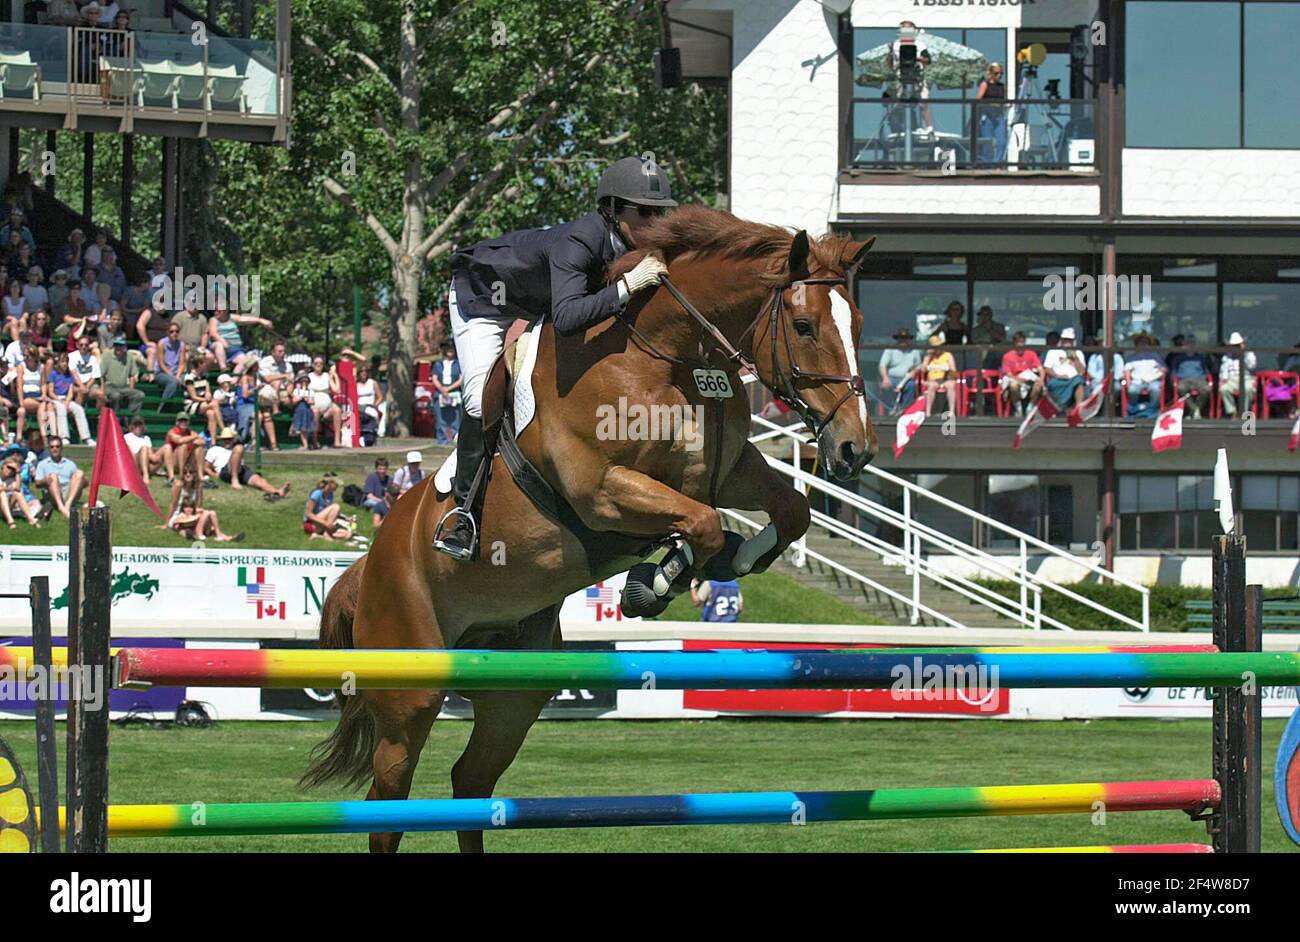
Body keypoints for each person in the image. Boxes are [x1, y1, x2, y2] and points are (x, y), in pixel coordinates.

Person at [438, 155, 675, 559]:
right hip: (481, 301)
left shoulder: (631, 243)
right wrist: (628, 287)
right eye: (644, 212)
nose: (654, 222)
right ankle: (463, 513)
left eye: (660, 212)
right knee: (480, 397)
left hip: (533, 305)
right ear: (615, 210)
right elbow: (567, 317)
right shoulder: (580, 240)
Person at [203, 426, 291, 498]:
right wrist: (215, 475)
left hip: (240, 469)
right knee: (239, 448)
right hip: (225, 470)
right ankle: (235, 480)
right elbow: (206, 467)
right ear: (221, 440)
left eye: (229, 439)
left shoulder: (235, 448)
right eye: (225, 439)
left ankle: (277, 492)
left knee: (258, 480)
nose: (227, 441)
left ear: (233, 439)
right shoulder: (214, 449)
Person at [166, 462, 243, 542]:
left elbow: (199, 505)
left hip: (192, 513)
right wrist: (166, 523)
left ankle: (225, 537)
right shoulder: (178, 485)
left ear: (194, 474)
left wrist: (198, 512)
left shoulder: (198, 486)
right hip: (179, 514)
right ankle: (191, 534)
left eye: (190, 472)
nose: (188, 475)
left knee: (210, 516)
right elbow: (173, 504)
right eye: (185, 473)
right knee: (178, 527)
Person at [42, 351, 92, 445]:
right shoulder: (53, 374)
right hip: (55, 399)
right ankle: (64, 436)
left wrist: (67, 402)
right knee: (61, 409)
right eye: (62, 361)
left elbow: (70, 391)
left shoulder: (69, 376)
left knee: (79, 409)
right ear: (58, 363)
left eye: (66, 362)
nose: (65, 364)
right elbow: (50, 391)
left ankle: (86, 437)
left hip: (66, 399)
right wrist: (58, 400)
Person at [206, 301, 271, 372]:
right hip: (219, 349)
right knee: (219, 345)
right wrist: (223, 341)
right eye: (214, 310)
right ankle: (223, 368)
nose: (216, 312)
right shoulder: (213, 320)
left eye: (218, 310)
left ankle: (234, 379)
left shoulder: (232, 317)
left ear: (226, 310)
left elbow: (244, 319)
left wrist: (260, 320)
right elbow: (213, 334)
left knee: (244, 361)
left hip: (234, 350)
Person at [34, 436, 83, 518]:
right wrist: (45, 480)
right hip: (52, 494)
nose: (55, 449)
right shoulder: (42, 464)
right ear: (48, 449)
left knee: (79, 473)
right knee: (53, 476)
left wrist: (81, 480)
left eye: (57, 446)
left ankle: (67, 505)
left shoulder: (70, 464)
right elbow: (37, 484)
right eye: (52, 447)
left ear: (61, 448)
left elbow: (83, 483)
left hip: (67, 492)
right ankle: (61, 507)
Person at [877, 327, 922, 414]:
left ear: (909, 339)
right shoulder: (890, 350)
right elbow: (882, 366)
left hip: (907, 378)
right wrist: (885, 378)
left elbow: (919, 365)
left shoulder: (914, 351)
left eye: (906, 338)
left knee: (912, 386)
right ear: (898, 339)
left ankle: (904, 410)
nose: (903, 340)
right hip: (892, 377)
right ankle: (890, 408)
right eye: (901, 338)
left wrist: (914, 371)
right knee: (886, 386)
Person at [999, 332, 1044, 416]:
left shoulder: (1031, 354)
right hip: (1015, 378)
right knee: (1013, 385)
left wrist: (1041, 379)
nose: (1020, 344)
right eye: (1018, 342)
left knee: (1038, 385)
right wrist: (1019, 379)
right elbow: (1008, 373)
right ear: (1014, 343)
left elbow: (1040, 368)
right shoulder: (1007, 356)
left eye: (1022, 342)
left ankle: (1030, 408)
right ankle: (1018, 408)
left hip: (1029, 378)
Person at [1123, 332, 1166, 418]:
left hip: (1152, 380)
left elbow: (1164, 368)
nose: (1143, 344)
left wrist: (1161, 372)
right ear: (1137, 344)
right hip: (1137, 381)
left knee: (1155, 389)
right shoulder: (1132, 357)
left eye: (1145, 342)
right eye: (1141, 343)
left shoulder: (1155, 356)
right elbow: (1127, 370)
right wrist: (1128, 382)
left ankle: (1152, 411)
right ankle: (1133, 410)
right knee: (1132, 390)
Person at [100, 335, 144, 417]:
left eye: (120, 345)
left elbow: (132, 375)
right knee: (116, 395)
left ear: (124, 346)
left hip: (124, 387)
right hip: (109, 386)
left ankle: (132, 418)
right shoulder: (107, 355)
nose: (118, 347)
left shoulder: (129, 357)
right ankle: (116, 419)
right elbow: (101, 375)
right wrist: (102, 391)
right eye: (116, 345)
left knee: (139, 394)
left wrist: (131, 390)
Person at [1043, 327, 1087, 409]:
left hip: (1075, 380)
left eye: (1069, 340)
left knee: (1079, 382)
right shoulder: (1053, 352)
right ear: (1061, 340)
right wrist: (1057, 375)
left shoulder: (1078, 353)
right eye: (1065, 339)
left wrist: (1075, 359)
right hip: (1058, 380)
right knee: (1054, 384)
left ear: (1073, 341)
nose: (1067, 342)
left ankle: (1078, 408)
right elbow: (1047, 369)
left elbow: (1082, 372)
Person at [303, 474, 352, 540]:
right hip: (311, 524)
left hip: (322, 524)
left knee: (348, 534)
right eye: (336, 485)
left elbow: (331, 513)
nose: (337, 487)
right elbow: (308, 514)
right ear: (330, 483)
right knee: (336, 506)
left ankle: (318, 536)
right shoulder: (317, 493)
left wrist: (345, 518)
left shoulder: (330, 495)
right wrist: (325, 523)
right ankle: (326, 533)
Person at [975, 63, 1008, 163]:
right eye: (997, 73)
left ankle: (998, 163)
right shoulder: (985, 84)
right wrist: (991, 104)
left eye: (1001, 73)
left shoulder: (1002, 86)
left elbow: (1005, 100)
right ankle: (987, 163)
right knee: (987, 143)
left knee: (1001, 142)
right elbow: (978, 100)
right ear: (991, 73)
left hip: (999, 116)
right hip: (987, 116)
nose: (999, 75)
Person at [1174, 335, 1213, 419]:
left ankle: (1194, 411)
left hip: (1199, 379)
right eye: (1188, 343)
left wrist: (1209, 380)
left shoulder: (1200, 357)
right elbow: (1174, 372)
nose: (1190, 346)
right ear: (1184, 345)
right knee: (1181, 388)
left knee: (1206, 389)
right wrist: (1173, 381)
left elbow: (1206, 370)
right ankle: (1195, 410)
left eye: (1192, 344)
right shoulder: (1178, 358)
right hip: (1184, 379)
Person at [306, 355, 341, 448]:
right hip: (313, 406)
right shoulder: (309, 376)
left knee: (337, 410)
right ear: (312, 365)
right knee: (315, 412)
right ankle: (315, 440)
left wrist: (334, 375)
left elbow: (337, 390)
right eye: (316, 363)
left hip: (327, 408)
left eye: (321, 363)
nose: (318, 365)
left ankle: (337, 441)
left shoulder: (326, 376)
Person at [163, 411, 205, 485]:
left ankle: (201, 476)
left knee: (199, 448)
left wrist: (191, 440)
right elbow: (179, 440)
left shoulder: (191, 433)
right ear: (177, 422)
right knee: (179, 446)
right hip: (174, 462)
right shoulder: (171, 432)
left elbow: (202, 441)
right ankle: (177, 476)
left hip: (187, 462)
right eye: (181, 420)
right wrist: (194, 438)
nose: (183, 422)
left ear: (188, 422)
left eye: (185, 420)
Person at [150, 319, 186, 404]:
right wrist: (172, 375)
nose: (175, 333)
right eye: (172, 331)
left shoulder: (181, 344)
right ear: (167, 333)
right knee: (172, 382)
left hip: (176, 372)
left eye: (177, 331)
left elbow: (182, 364)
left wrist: (177, 375)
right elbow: (161, 364)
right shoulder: (162, 343)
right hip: (161, 373)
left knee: (189, 379)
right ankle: (163, 406)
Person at [920, 333, 957, 416]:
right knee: (931, 386)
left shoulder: (947, 355)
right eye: (935, 347)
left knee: (951, 386)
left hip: (945, 378)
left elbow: (953, 370)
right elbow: (923, 369)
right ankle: (928, 412)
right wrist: (929, 357)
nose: (937, 349)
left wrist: (947, 368)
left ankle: (951, 411)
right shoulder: (929, 356)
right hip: (933, 379)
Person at [431, 344, 461, 443]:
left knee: (455, 420)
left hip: (454, 394)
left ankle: (455, 441)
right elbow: (434, 378)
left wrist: (448, 389)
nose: (450, 350)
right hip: (440, 394)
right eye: (448, 349)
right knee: (441, 420)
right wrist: (442, 389)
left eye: (452, 348)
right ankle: (441, 442)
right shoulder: (438, 364)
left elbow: (461, 379)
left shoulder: (458, 364)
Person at [0, 455, 40, 527]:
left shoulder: (11, 478)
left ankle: (31, 519)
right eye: (9, 467)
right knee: (2, 493)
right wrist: (8, 489)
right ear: (3, 466)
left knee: (17, 493)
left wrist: (18, 473)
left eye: (13, 469)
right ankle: (10, 521)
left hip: (4, 507)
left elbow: (17, 488)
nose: (10, 470)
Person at [14, 344, 45, 439]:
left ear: (34, 356)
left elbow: (43, 383)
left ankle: (47, 434)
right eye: (24, 356)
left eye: (28, 356)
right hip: (26, 396)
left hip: (38, 396)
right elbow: (19, 386)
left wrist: (44, 394)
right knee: (43, 405)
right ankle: (44, 435)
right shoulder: (21, 367)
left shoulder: (41, 367)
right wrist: (21, 403)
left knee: (49, 409)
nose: (25, 358)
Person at [68, 333, 103, 413]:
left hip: (89, 385)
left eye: (86, 345)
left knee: (101, 394)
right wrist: (82, 386)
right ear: (77, 345)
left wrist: (87, 387)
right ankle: (76, 417)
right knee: (81, 392)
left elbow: (94, 376)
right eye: (81, 345)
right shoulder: (72, 356)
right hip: (76, 385)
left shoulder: (93, 359)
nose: (84, 347)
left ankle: (99, 416)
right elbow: (74, 373)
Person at [124, 416, 165, 483]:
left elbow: (151, 454)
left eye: (140, 424)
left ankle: (171, 476)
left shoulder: (146, 438)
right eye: (135, 424)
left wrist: (156, 457)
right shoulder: (127, 437)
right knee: (144, 448)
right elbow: (129, 453)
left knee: (166, 448)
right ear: (132, 426)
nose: (138, 427)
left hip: (145, 461)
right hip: (134, 461)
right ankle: (145, 475)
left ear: (143, 426)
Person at [289, 370, 316, 448]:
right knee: (301, 428)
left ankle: (308, 444)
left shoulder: (310, 391)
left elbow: (312, 402)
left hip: (307, 410)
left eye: (306, 381)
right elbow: (293, 401)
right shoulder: (296, 391)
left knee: (307, 428)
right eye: (302, 381)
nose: (304, 383)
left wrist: (308, 399)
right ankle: (305, 444)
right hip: (299, 410)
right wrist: (300, 397)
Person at [361, 457, 391, 528]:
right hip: (371, 500)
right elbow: (369, 495)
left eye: (384, 469)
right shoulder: (371, 478)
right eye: (380, 469)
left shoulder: (390, 479)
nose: (382, 471)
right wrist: (381, 501)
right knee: (374, 503)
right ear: (376, 468)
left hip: (385, 501)